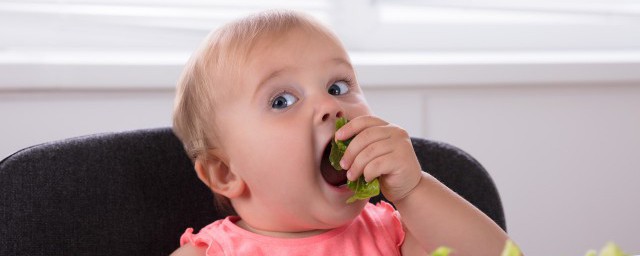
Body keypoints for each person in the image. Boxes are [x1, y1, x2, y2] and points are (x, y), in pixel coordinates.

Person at [171, 10, 513, 256]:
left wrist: (412, 189)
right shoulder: (211, 252)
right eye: (282, 100)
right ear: (226, 171)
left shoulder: (393, 235)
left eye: (337, 86)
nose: (330, 106)